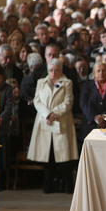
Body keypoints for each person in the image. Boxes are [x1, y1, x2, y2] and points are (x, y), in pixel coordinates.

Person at [27, 58, 78, 194]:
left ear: (61, 71)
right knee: (47, 155)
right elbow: (37, 100)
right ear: (47, 71)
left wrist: (55, 113)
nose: (53, 73)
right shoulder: (41, 82)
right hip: (45, 121)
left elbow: (68, 101)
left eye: (56, 70)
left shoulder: (67, 83)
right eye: (51, 70)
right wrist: (47, 114)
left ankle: (69, 186)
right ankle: (48, 185)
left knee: (64, 156)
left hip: (61, 121)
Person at [79, 61, 106, 143]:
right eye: (98, 71)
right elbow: (83, 103)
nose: (101, 73)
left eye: (104, 70)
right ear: (94, 73)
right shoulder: (87, 85)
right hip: (90, 123)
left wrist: (104, 117)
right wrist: (96, 118)